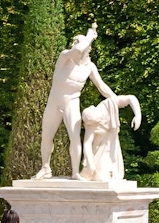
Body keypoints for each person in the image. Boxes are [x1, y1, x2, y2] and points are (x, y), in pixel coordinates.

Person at [33, 22, 117, 181]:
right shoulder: (65, 57)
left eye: (76, 41)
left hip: (72, 101)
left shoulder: (90, 67)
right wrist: (90, 35)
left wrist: (114, 99)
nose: (74, 45)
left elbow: (102, 86)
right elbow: (77, 50)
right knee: (46, 136)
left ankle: (75, 173)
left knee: (75, 137)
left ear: (88, 49)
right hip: (54, 101)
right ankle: (45, 167)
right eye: (74, 42)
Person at [80, 95, 141, 182]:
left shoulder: (108, 105)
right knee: (101, 178)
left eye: (97, 123)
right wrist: (90, 163)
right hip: (97, 152)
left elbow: (130, 98)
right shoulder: (90, 124)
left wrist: (138, 115)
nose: (95, 126)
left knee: (106, 176)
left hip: (111, 147)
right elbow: (87, 143)